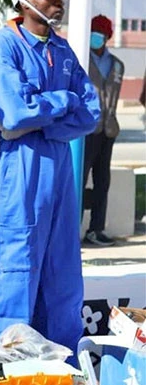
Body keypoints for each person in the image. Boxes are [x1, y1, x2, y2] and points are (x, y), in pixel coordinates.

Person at [0, 0, 100, 362]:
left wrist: (44, 118)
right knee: (18, 277)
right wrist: (61, 103)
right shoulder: (5, 45)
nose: (58, 2)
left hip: (57, 172)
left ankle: (64, 373)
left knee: (63, 280)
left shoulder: (63, 50)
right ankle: (15, 376)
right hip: (21, 174)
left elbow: (90, 112)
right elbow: (13, 115)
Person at [82, 15, 124, 247]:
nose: (95, 37)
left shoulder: (117, 65)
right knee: (79, 179)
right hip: (86, 129)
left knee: (102, 181)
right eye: (93, 32)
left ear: (107, 37)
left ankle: (96, 229)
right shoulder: (81, 59)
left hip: (107, 130)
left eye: (99, 33)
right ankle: (72, 228)